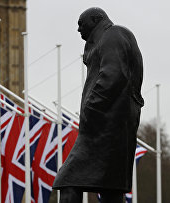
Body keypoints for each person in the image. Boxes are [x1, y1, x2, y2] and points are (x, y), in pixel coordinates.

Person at [52, 7, 144, 203]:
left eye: (81, 23)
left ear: (96, 20)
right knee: (111, 188)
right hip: (113, 125)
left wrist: (91, 109)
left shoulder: (113, 35)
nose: (78, 30)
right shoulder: (110, 38)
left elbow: (114, 74)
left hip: (104, 125)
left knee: (67, 180)